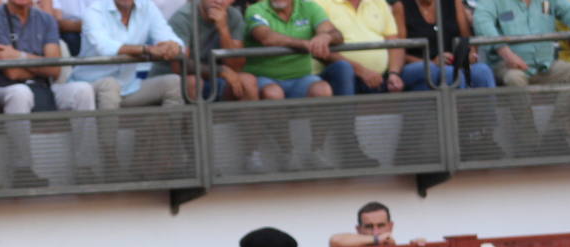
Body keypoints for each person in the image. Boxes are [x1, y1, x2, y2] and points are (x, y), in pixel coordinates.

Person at [0, 0, 95, 187]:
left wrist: (19, 56)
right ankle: (22, 169)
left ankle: (85, 167)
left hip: (44, 87)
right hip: (6, 88)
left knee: (83, 90)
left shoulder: (46, 19)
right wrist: (42, 65)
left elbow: (55, 69)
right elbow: (12, 73)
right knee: (20, 93)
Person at [474, 0, 570, 155]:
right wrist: (506, 53)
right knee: (514, 79)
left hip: (545, 65)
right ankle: (529, 141)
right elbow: (481, 21)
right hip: (507, 66)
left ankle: (556, 135)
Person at [242, 0, 346, 168]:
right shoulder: (256, 9)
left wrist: (325, 36)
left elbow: (337, 34)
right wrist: (303, 43)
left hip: (301, 78)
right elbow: (266, 37)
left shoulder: (309, 7)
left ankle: (316, 151)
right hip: (265, 77)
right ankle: (287, 152)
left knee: (323, 89)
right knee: (273, 94)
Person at [72, 0, 185, 111]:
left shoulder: (147, 6)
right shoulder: (94, 10)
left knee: (174, 83)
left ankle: (168, 130)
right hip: (90, 87)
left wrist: (173, 47)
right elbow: (104, 47)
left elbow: (172, 39)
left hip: (127, 87)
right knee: (110, 85)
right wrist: (147, 49)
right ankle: (109, 131)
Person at [153, 0, 258, 102]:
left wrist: (223, 29)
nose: (219, 1)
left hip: (213, 78)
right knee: (193, 82)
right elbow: (179, 66)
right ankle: (193, 120)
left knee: (247, 81)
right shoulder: (184, 17)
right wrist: (220, 71)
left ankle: (246, 120)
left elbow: (237, 67)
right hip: (173, 79)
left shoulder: (234, 16)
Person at [391, 0, 497, 91]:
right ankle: (455, 114)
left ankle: (487, 114)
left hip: (454, 61)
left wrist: (469, 55)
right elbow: (399, 53)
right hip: (419, 64)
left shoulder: (455, 2)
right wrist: (432, 62)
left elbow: (467, 37)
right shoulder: (401, 7)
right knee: (450, 73)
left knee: (482, 71)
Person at [315, 0, 405, 96]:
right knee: (344, 69)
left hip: (382, 77)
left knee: (420, 69)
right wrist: (361, 71)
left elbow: (395, 43)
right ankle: (346, 110)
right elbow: (316, 47)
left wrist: (394, 73)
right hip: (341, 75)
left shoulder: (379, 2)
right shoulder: (319, 3)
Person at [328, 200, 428, 247]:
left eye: (380, 226)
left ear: (390, 226)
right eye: (369, 226)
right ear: (358, 229)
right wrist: (377, 240)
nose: (375, 232)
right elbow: (335, 241)